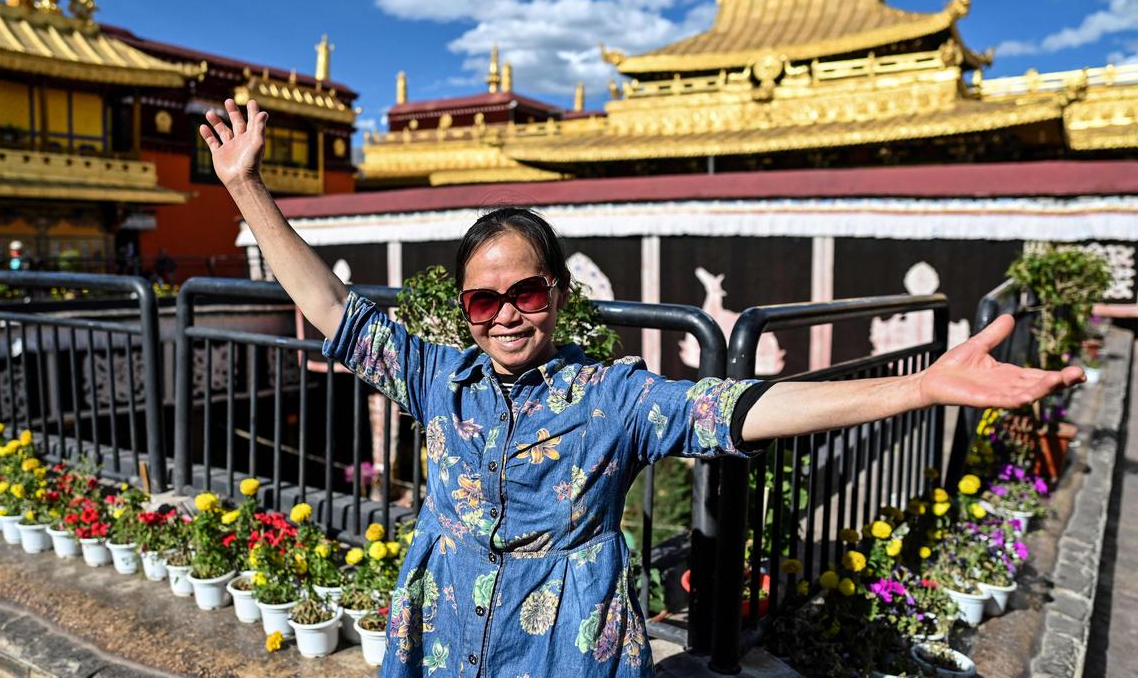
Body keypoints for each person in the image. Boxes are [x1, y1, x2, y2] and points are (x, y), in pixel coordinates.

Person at [201, 99, 1082, 677]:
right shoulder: (437, 374)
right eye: (483, 298)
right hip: (445, 615)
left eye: (526, 292)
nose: (505, 315)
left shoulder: (611, 396)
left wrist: (921, 389)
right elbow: (325, 302)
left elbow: (741, 410)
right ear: (464, 307)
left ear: (558, 295)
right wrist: (246, 188)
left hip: (563, 634)